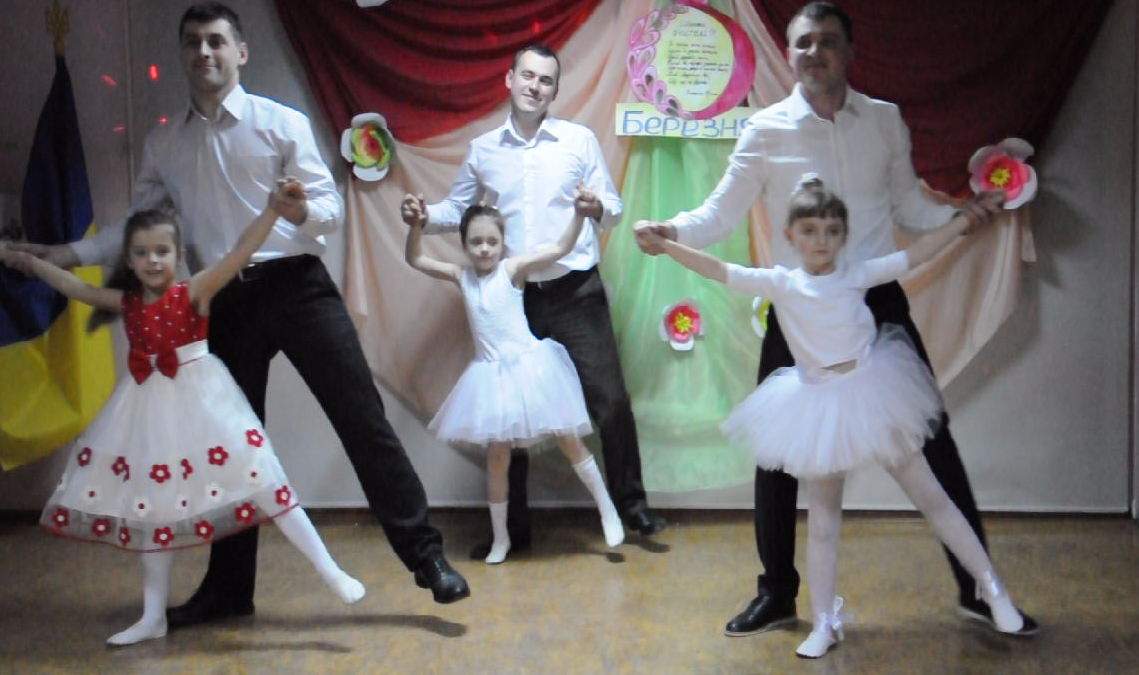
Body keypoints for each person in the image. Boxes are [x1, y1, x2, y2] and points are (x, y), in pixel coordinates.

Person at [16, 2, 468, 627]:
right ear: (182, 54)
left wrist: (298, 211)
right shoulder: (166, 143)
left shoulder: (281, 123)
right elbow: (137, 232)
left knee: (361, 418)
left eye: (216, 41)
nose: (204, 52)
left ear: (241, 52)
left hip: (297, 287)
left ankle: (426, 557)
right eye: (192, 42)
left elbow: (332, 209)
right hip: (222, 300)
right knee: (229, 446)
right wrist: (66, 254)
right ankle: (229, 590)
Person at [634, 1, 1035, 637]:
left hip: (875, 298)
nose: (813, 52)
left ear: (848, 51)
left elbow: (910, 208)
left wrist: (962, 216)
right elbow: (719, 214)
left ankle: (976, 591)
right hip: (797, 304)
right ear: (789, 53)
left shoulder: (884, 120)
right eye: (803, 43)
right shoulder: (765, 128)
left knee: (932, 440)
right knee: (777, 457)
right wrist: (672, 230)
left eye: (826, 41)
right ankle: (777, 593)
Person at [640, 176, 1024, 657]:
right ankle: (824, 621)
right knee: (823, 520)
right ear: (791, 235)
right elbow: (719, 269)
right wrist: (667, 244)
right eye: (810, 231)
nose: (821, 241)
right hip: (816, 405)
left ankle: (992, 588)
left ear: (843, 236)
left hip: (873, 395)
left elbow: (918, 254)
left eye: (831, 231)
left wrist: (964, 221)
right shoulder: (781, 283)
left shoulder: (857, 274)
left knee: (932, 497)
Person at [0, 182, 366, 647]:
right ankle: (152, 616)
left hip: (207, 406)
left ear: (176, 254)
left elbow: (240, 252)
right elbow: (75, 287)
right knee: (155, 509)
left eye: (162, 251)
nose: (153, 261)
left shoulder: (194, 292)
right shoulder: (128, 303)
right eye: (142, 253)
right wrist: (28, 262)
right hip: (150, 414)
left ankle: (331, 571)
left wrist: (274, 211)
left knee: (265, 480)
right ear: (129, 260)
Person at [400, 44, 664, 558]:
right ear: (510, 80)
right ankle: (513, 531)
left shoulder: (578, 140)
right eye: (527, 76)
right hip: (514, 300)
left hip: (576, 289)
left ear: (555, 91)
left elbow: (613, 207)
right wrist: (422, 217)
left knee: (610, 399)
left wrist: (596, 205)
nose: (534, 86)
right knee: (508, 415)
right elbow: (457, 209)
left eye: (545, 80)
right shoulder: (483, 150)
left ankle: (632, 506)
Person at [405, 195, 625, 563]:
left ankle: (608, 511)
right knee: (497, 458)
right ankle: (501, 538)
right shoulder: (462, 276)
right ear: (464, 244)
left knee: (569, 440)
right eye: (476, 242)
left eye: (492, 241)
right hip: (491, 378)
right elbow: (415, 258)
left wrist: (578, 215)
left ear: (503, 242)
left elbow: (559, 248)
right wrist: (416, 226)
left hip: (532, 369)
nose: (484, 249)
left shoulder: (512, 270)